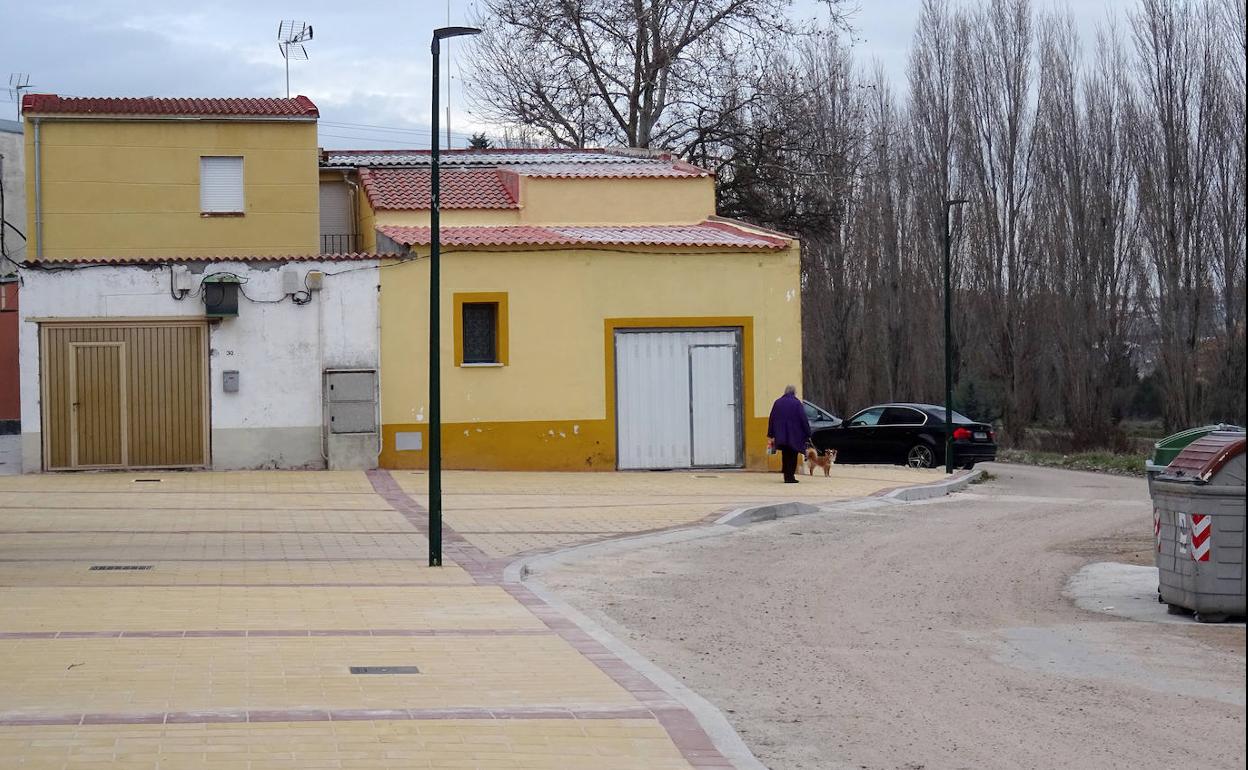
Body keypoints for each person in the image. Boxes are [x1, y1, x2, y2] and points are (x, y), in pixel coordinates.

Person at [767, 384, 812, 483]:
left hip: (780, 435)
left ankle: (786, 475)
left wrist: (770, 433)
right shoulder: (796, 404)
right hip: (794, 435)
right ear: (794, 393)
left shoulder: (777, 403)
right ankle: (790, 477)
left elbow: (772, 418)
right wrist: (808, 433)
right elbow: (803, 419)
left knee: (785, 454)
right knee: (793, 455)